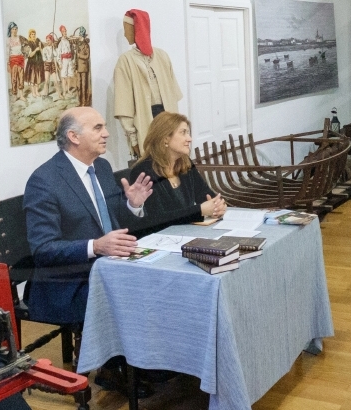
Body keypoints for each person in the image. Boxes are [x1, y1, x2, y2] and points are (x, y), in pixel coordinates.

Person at [26, 106, 155, 397]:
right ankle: (117, 367)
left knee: (159, 280)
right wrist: (95, 247)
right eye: (97, 128)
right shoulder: (44, 181)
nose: (106, 133)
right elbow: (43, 249)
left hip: (107, 268)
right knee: (129, 293)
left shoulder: (103, 168)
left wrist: (132, 204)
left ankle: (147, 360)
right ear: (73, 136)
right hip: (66, 281)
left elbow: (110, 222)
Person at [128, 112, 226, 237]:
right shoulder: (143, 171)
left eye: (188, 133)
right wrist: (200, 210)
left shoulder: (185, 162)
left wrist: (218, 205)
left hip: (186, 234)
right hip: (159, 239)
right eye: (183, 132)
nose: (189, 139)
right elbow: (158, 218)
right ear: (165, 138)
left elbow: (205, 193)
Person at [114, 9, 183, 159]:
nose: (125, 34)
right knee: (151, 166)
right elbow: (124, 105)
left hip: (168, 121)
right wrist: (132, 137)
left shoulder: (162, 56)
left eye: (127, 29)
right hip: (145, 121)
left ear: (138, 29)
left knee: (173, 162)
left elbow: (173, 96)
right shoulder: (125, 61)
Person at [7, 22, 24, 95]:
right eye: (13, 29)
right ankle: (15, 94)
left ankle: (21, 95)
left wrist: (24, 54)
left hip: (20, 59)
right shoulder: (9, 40)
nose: (15, 30)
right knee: (14, 78)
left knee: (21, 77)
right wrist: (8, 63)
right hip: (13, 60)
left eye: (16, 29)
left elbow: (26, 46)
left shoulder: (20, 38)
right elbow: (7, 52)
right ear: (10, 30)